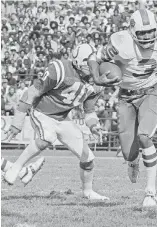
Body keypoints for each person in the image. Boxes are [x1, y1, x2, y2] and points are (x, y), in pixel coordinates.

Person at [88, 8, 157, 207]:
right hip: (125, 98)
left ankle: (151, 192)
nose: (147, 36)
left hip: (150, 93)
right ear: (132, 32)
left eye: (150, 31)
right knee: (129, 153)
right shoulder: (121, 43)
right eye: (142, 32)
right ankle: (133, 161)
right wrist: (96, 76)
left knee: (145, 136)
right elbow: (94, 58)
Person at [4, 44, 109, 200]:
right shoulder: (60, 69)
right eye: (89, 63)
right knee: (47, 137)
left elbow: (89, 111)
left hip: (63, 118)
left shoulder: (97, 84)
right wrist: (17, 123)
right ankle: (17, 166)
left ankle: (88, 192)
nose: (93, 67)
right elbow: (31, 92)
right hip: (42, 112)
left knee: (88, 158)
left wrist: (94, 126)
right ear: (78, 62)